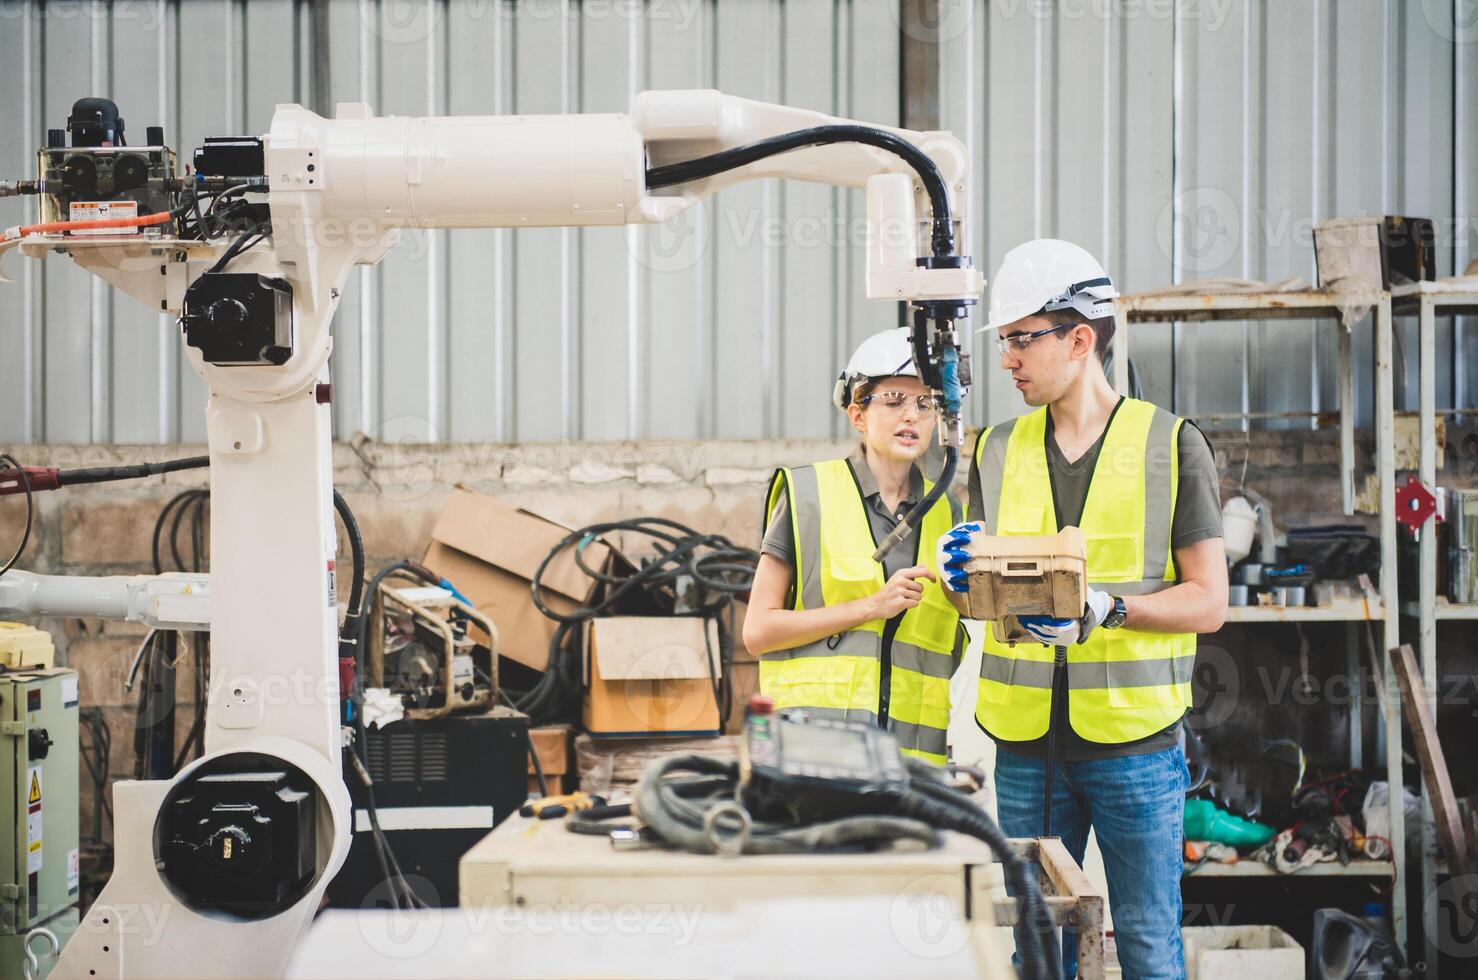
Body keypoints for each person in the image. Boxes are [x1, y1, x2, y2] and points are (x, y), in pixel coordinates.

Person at [944, 239, 1227, 979]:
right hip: (1024, 744)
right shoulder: (996, 449)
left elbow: (1209, 601)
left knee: (1145, 946)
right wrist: (955, 576)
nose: (1006, 360)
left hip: (1135, 747)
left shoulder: (1172, 445)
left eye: (1020, 340)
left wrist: (1108, 610)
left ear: (1079, 339)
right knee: (1040, 948)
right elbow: (983, 596)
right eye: (1003, 342)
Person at [743, 328, 965, 764]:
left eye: (924, 404)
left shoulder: (948, 517)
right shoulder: (809, 494)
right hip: (818, 757)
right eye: (894, 400)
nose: (912, 417)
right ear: (857, 413)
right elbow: (757, 633)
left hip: (914, 764)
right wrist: (870, 607)